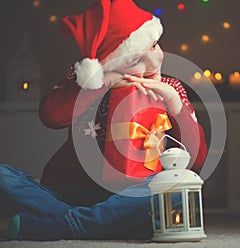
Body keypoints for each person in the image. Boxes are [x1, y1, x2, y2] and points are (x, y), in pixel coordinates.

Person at [0, 0, 207, 241]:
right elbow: (50, 116)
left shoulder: (171, 88)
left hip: (130, 193)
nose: (153, 61)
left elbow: (196, 159)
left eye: (154, 46)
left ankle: (64, 225)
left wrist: (175, 105)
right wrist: (101, 84)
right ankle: (111, 223)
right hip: (70, 188)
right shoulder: (87, 81)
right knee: (5, 177)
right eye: (135, 61)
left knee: (169, 186)